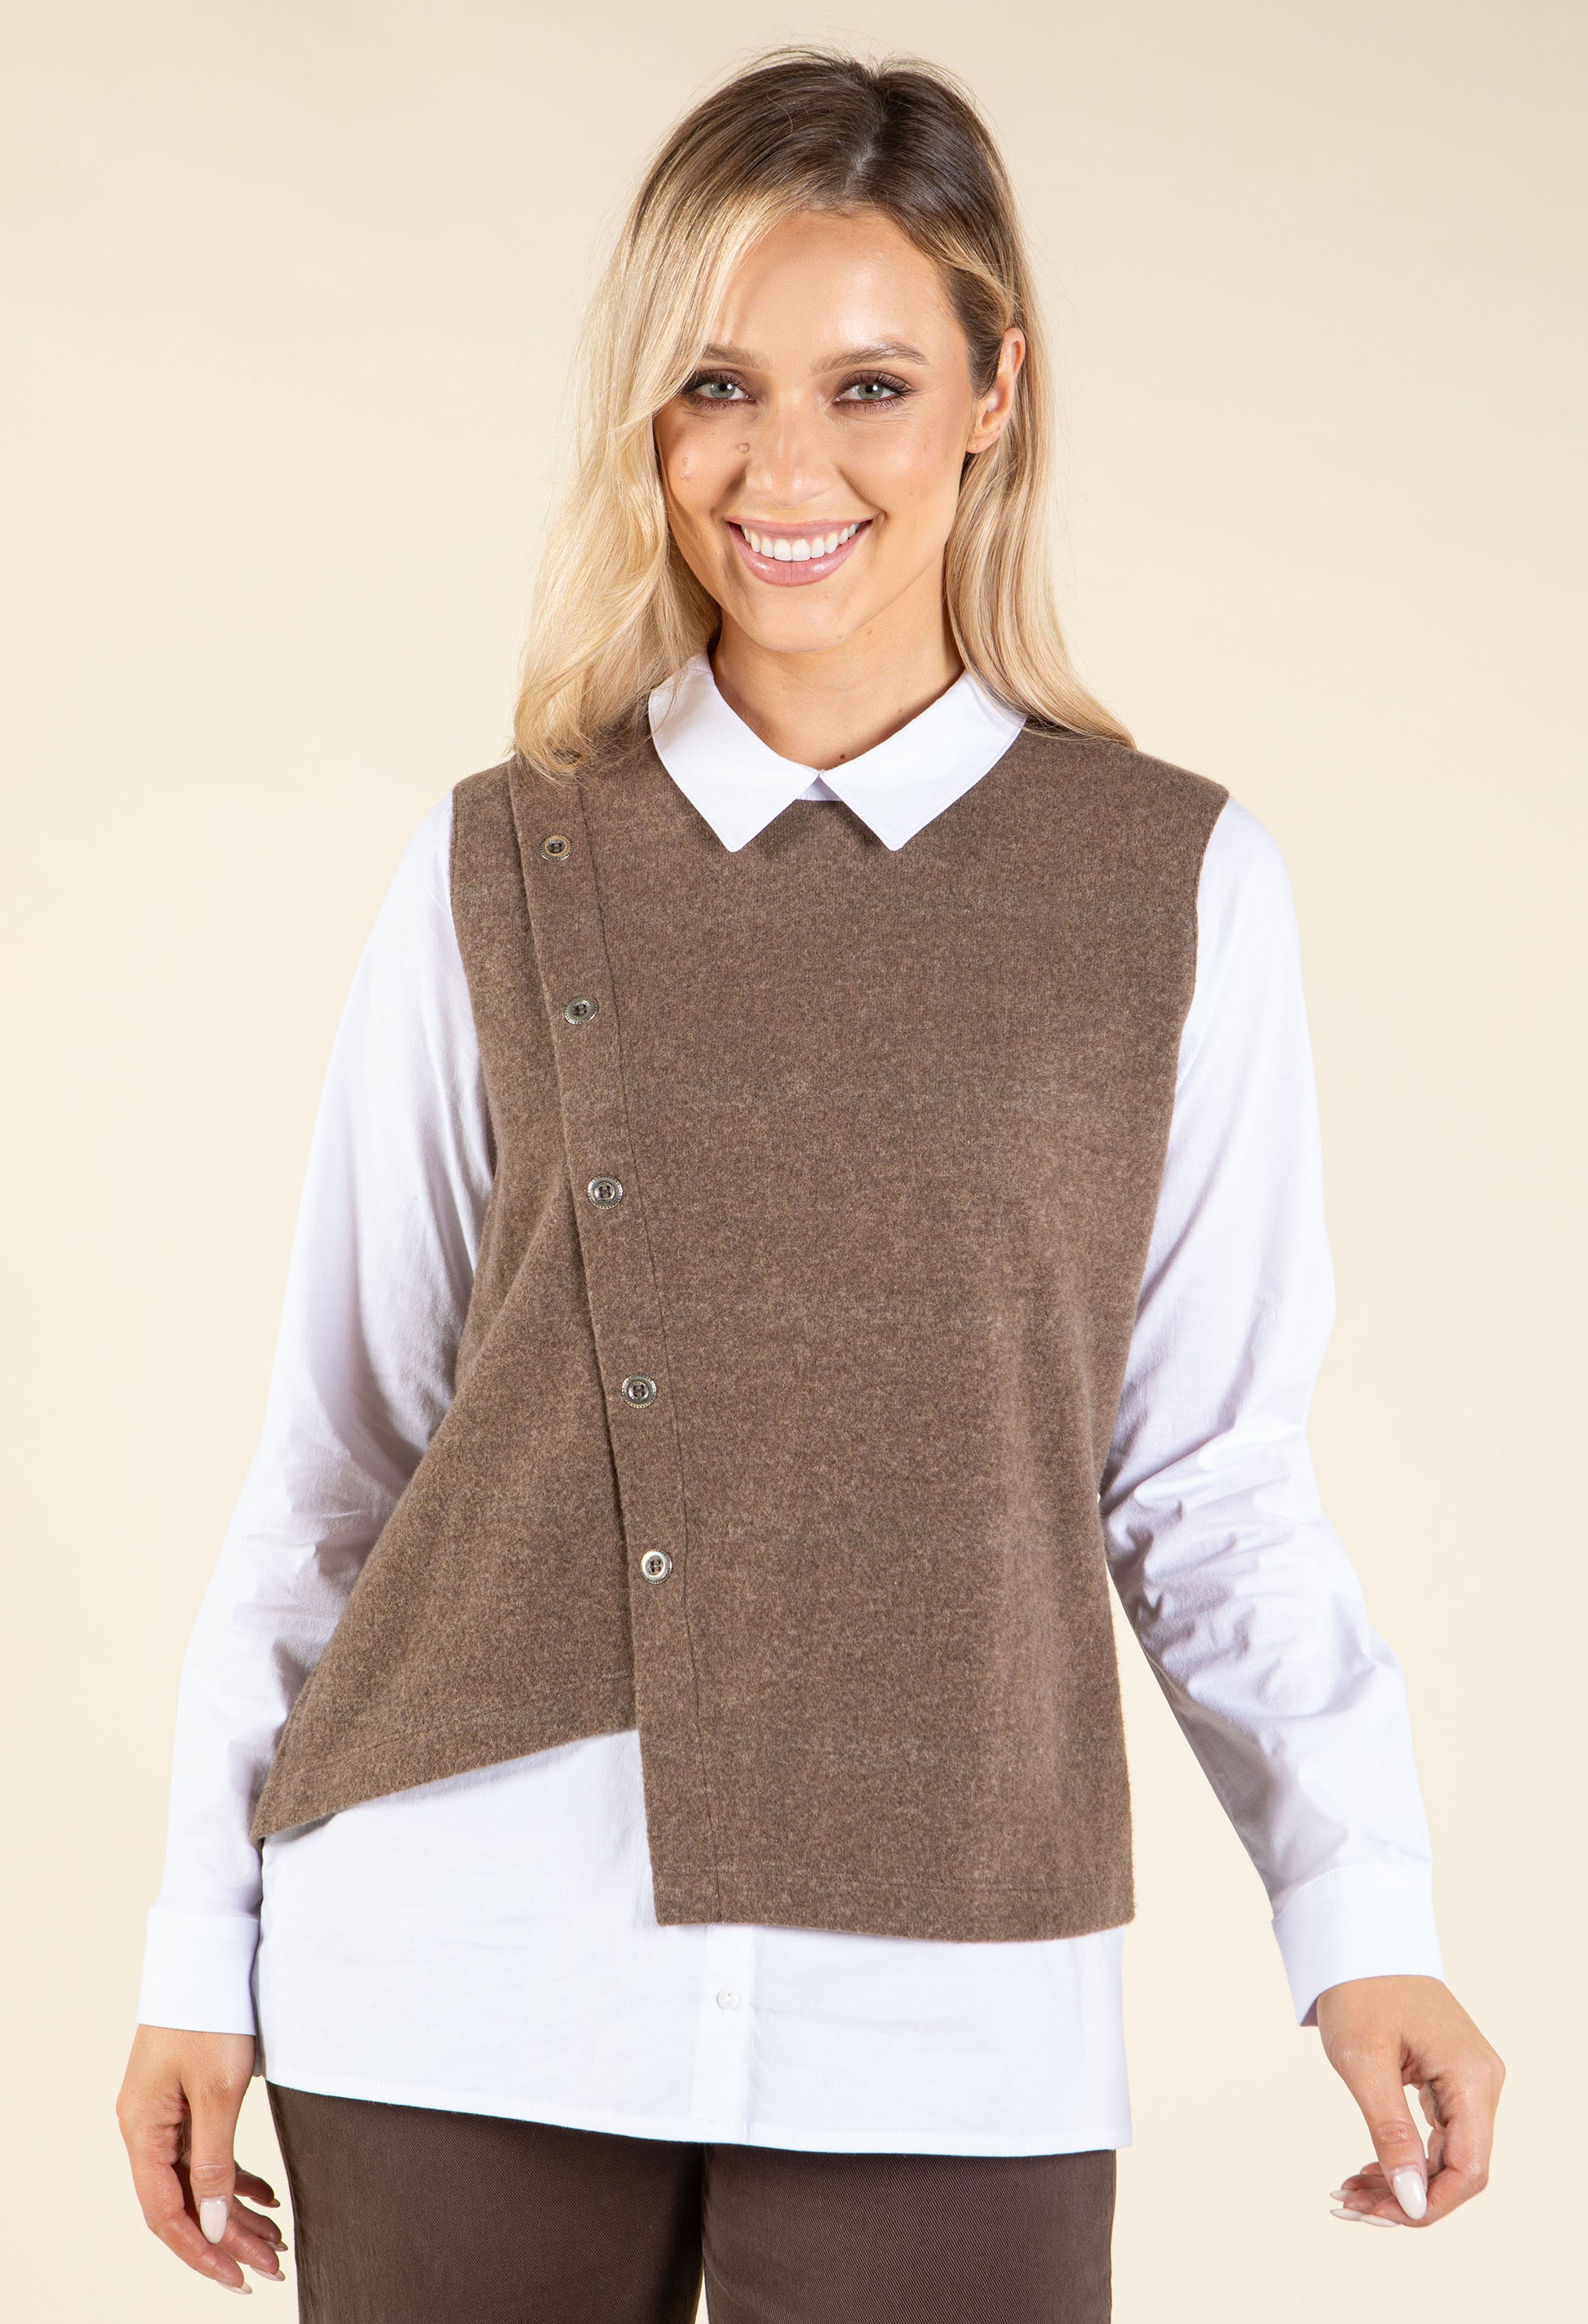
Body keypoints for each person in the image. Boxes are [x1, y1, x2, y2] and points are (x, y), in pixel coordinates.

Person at [116, 45, 1503, 2323]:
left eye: (869, 385)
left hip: (949, 2000)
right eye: (716, 388)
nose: (786, 467)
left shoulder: (1171, 888)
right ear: (646, 422)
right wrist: (201, 1941)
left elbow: (1205, 1475)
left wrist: (1360, 1926)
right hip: (460, 1974)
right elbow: (343, 1455)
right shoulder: (502, 860)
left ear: (993, 396)